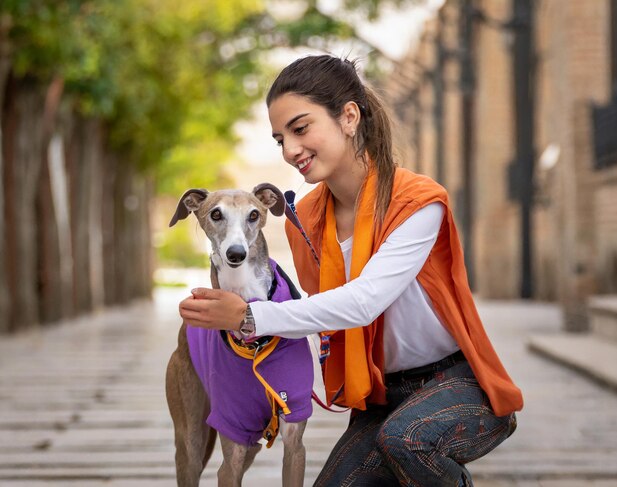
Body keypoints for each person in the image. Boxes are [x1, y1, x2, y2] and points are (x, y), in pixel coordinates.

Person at [179, 54, 522, 486]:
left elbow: (361, 302)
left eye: (301, 129)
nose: (290, 151)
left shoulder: (416, 201)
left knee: (407, 441)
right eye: (279, 138)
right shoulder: (305, 217)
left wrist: (248, 317)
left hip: (458, 385)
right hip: (381, 397)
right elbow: (321, 312)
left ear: (348, 116)